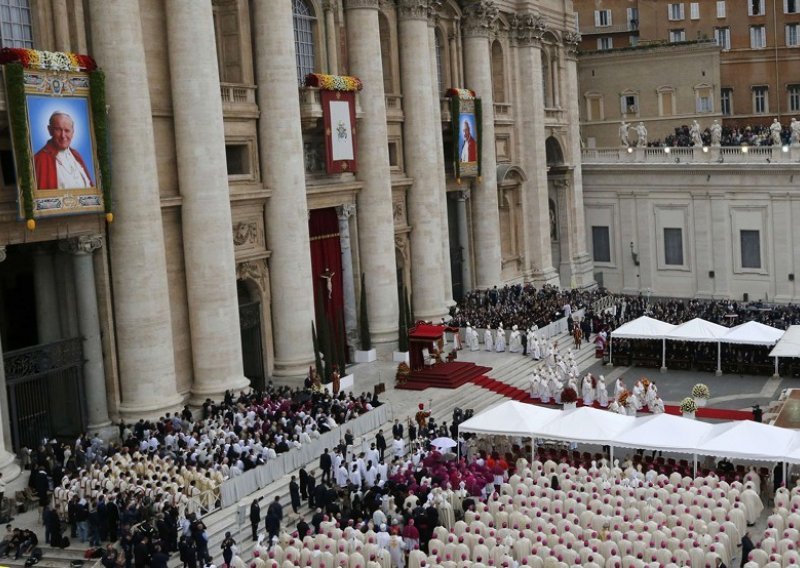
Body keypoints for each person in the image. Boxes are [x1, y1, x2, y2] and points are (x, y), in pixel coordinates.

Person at [34, 111, 94, 190]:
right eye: (58, 130)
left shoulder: (76, 155)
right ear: (50, 130)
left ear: (73, 132)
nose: (63, 136)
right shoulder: (40, 159)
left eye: (67, 130)